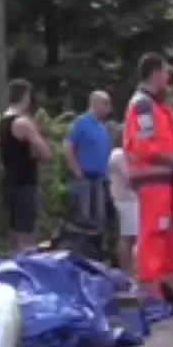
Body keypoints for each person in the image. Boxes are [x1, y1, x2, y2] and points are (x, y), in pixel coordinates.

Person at [123, 54, 173, 313]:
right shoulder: (144, 106)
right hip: (153, 179)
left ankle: (166, 290)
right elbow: (146, 145)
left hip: (164, 180)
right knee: (154, 233)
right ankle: (151, 293)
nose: (169, 77)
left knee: (168, 234)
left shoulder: (156, 105)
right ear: (154, 73)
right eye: (165, 72)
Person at [0, 78, 51, 252]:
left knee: (14, 230)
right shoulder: (23, 123)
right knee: (26, 233)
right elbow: (45, 153)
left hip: (9, 180)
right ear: (25, 96)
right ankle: (26, 268)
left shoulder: (4, 120)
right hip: (25, 182)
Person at [64, 90, 114, 241]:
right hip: (84, 176)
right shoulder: (81, 123)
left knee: (99, 217)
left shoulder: (102, 127)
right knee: (83, 217)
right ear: (94, 103)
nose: (108, 107)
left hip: (99, 178)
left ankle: (96, 250)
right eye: (105, 103)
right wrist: (76, 169)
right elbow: (68, 145)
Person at [106, 145, 138, 279]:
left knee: (131, 237)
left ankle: (130, 270)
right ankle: (127, 271)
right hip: (125, 200)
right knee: (126, 237)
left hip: (128, 200)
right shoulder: (119, 155)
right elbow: (129, 177)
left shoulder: (120, 155)